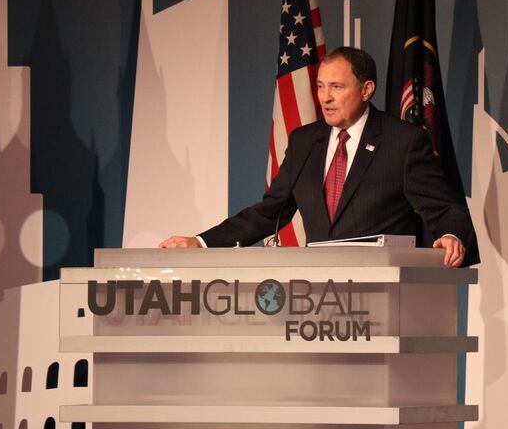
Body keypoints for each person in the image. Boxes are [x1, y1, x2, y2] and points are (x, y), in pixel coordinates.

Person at [160, 47, 478, 268]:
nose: (324, 97)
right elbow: (270, 212)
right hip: (317, 296)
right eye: (321, 86)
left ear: (367, 89)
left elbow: (447, 207)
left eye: (337, 87)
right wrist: (201, 243)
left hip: (383, 295)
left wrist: (451, 236)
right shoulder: (304, 142)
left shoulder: (402, 142)